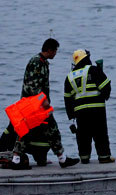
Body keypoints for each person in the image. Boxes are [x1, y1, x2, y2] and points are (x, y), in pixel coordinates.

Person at [5, 39, 78, 169]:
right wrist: (44, 101)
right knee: (51, 129)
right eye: (55, 51)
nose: (55, 53)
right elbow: (32, 85)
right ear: (49, 50)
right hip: (33, 105)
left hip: (35, 104)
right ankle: (62, 159)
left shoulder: (43, 63)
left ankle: (16, 160)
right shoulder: (37, 62)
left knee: (28, 131)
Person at [3, 93, 79, 170]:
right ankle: (62, 159)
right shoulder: (47, 116)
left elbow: (9, 133)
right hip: (43, 148)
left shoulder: (23, 113)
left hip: (27, 147)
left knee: (21, 130)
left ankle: (16, 159)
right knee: (53, 133)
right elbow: (54, 135)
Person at [64, 49, 114, 164]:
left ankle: (84, 157)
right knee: (100, 133)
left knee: (82, 134)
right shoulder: (94, 70)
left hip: (80, 111)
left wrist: (71, 115)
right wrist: (105, 96)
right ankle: (104, 156)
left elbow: (67, 99)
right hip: (97, 109)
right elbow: (106, 86)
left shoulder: (69, 77)